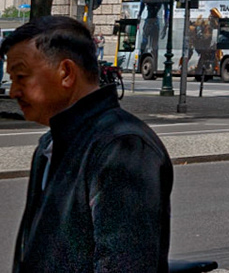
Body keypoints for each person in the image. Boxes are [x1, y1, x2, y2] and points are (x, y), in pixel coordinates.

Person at [4, 16, 172, 273]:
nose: (12, 91)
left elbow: (124, 265)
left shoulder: (122, 147)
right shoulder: (51, 144)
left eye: (21, 76)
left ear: (66, 73)